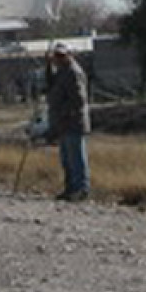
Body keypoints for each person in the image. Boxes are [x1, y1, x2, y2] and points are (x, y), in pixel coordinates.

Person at [46, 42, 91, 201]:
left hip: (73, 121)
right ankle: (70, 188)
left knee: (76, 157)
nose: (58, 58)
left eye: (62, 55)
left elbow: (79, 100)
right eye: (56, 55)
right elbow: (52, 89)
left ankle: (81, 189)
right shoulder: (61, 72)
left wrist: (65, 113)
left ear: (69, 55)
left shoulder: (73, 72)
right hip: (63, 123)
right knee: (66, 159)